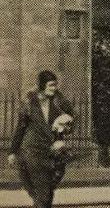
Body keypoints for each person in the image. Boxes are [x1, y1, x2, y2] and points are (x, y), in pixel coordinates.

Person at [8, 70, 75, 208]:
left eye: (55, 85)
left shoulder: (59, 101)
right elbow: (20, 128)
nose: (54, 88)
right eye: (51, 85)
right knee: (43, 193)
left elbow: (72, 119)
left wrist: (66, 126)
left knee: (48, 194)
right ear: (42, 85)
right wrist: (12, 151)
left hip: (53, 153)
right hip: (33, 151)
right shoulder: (29, 104)